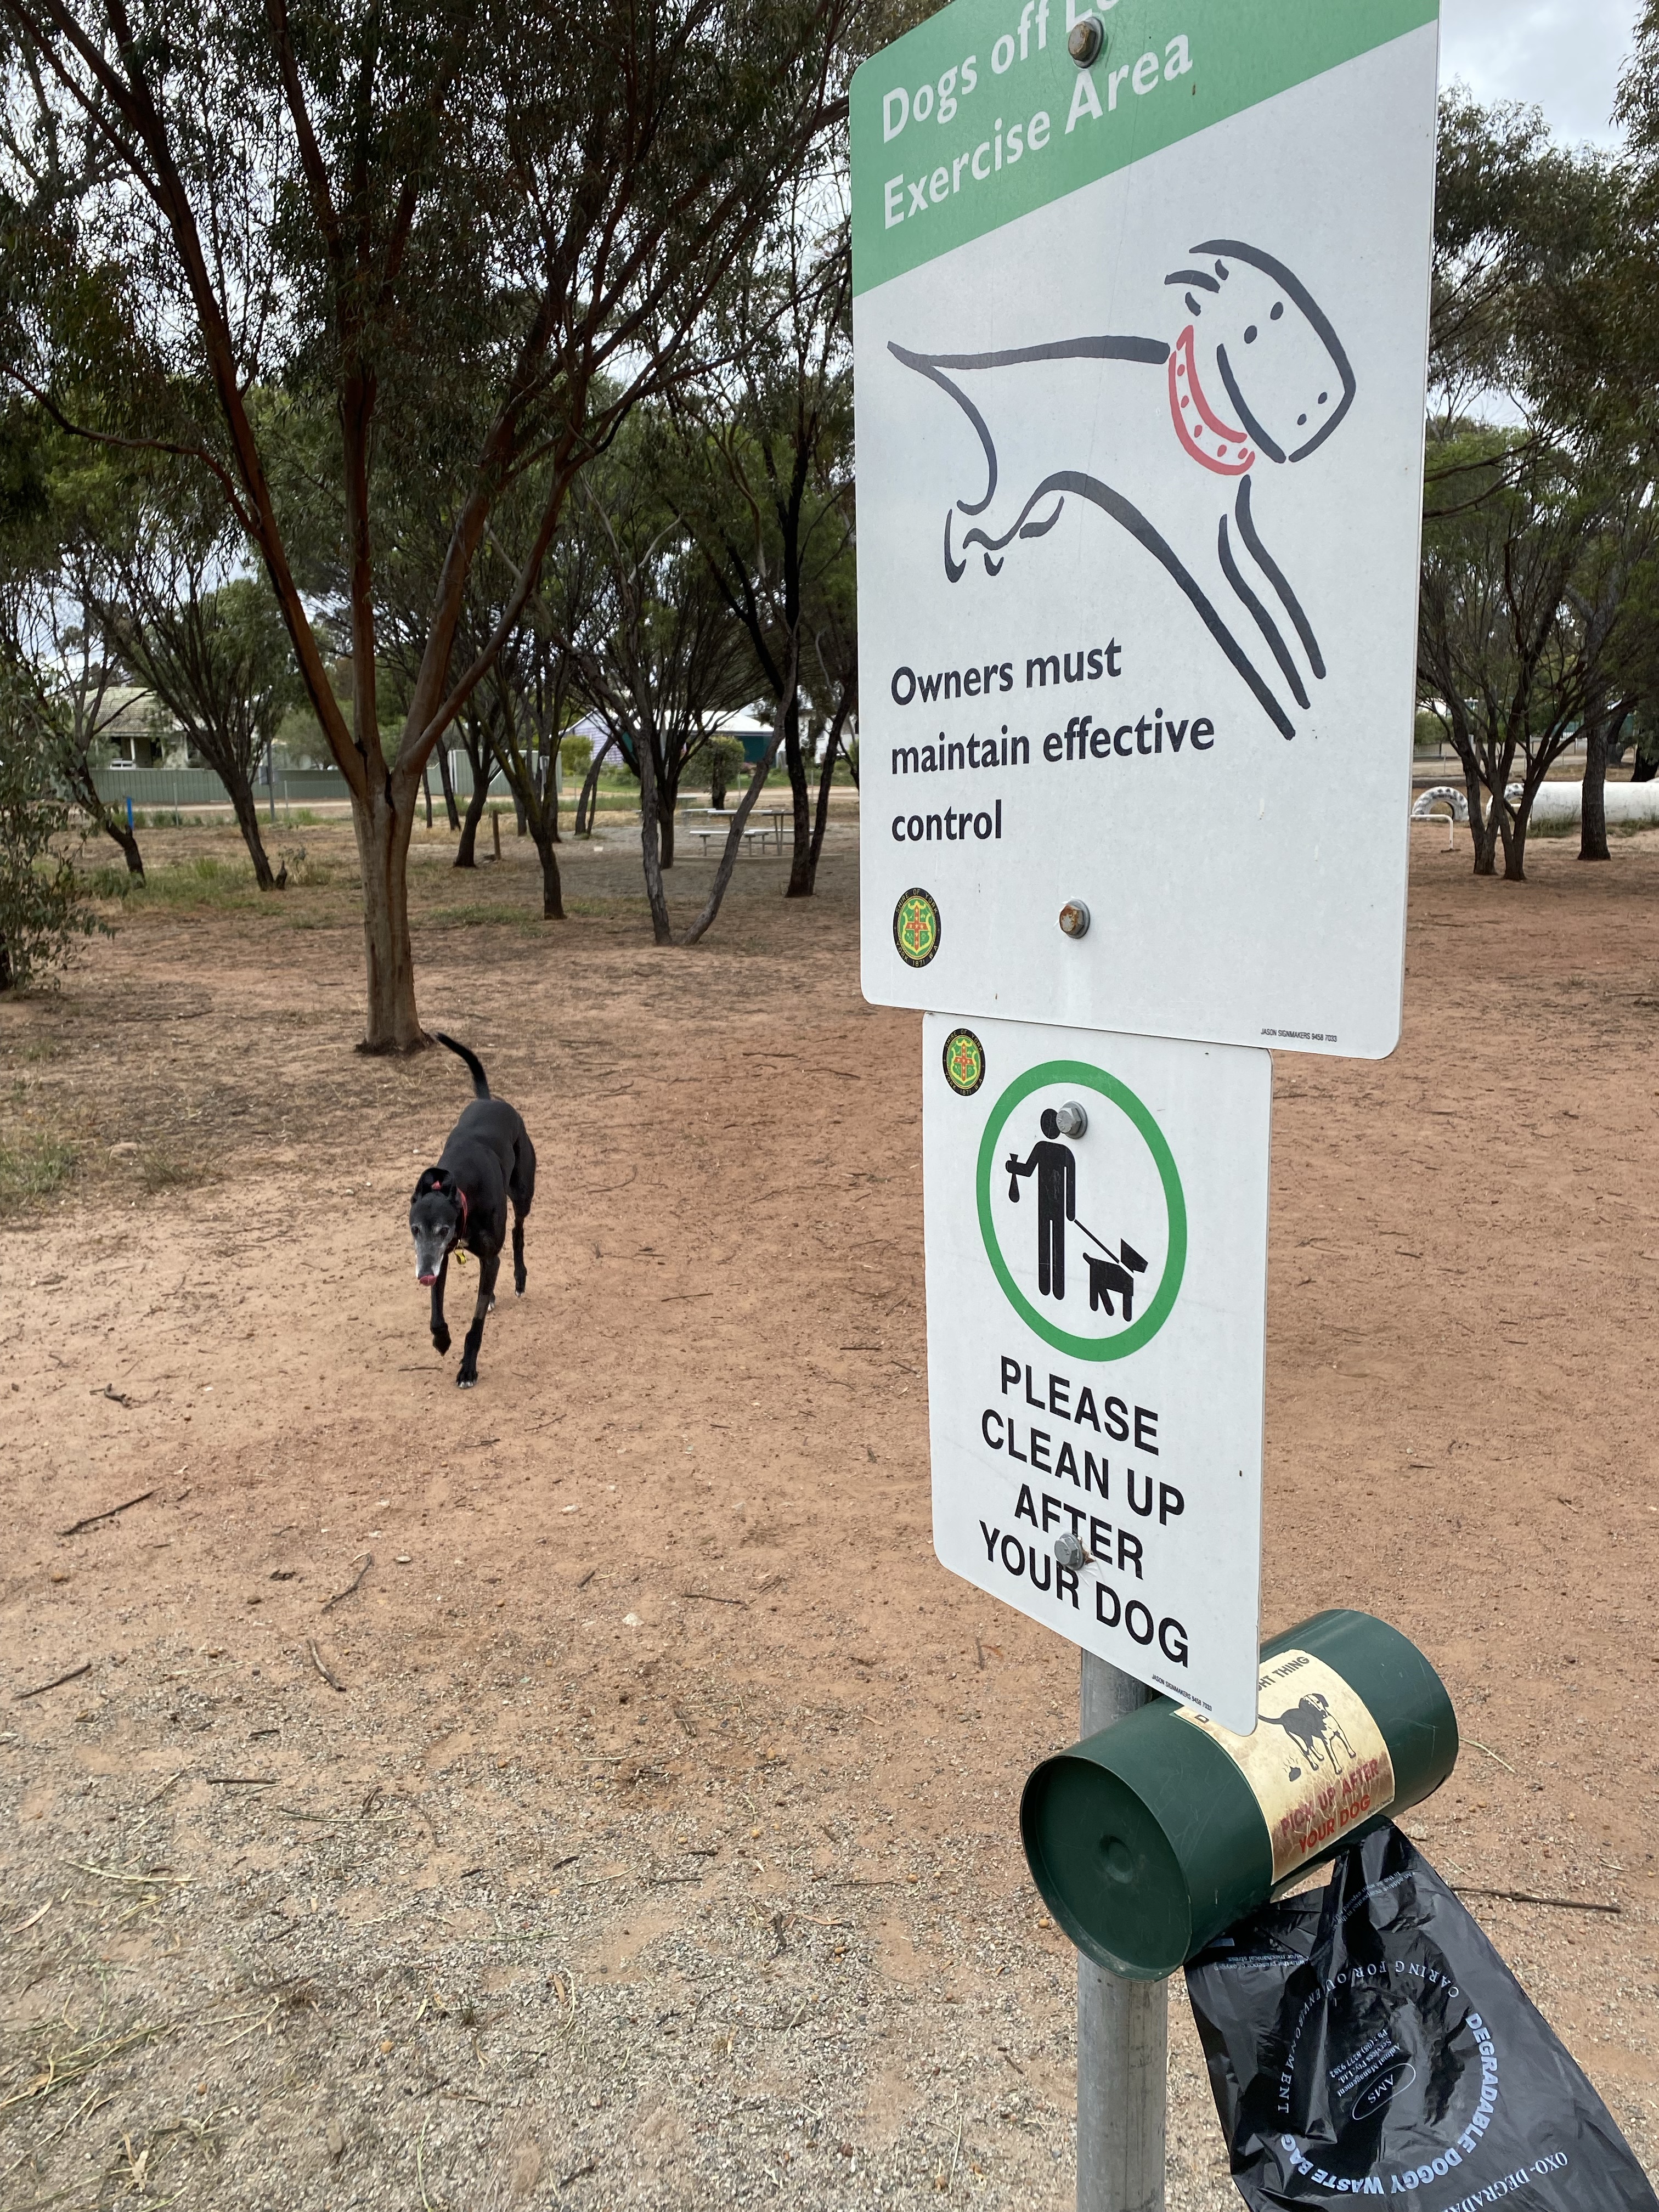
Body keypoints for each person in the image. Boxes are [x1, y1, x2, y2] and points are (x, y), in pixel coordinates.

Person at [1006, 1109, 1076, 1299]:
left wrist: (1012, 1167)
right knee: (1053, 1242)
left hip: (1047, 1204)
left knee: (1047, 1242)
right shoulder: (1062, 1151)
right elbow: (1070, 1181)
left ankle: (1049, 1286)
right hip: (1053, 1205)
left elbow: (1028, 1170)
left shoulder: (1043, 1148)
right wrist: (1070, 1212)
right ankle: (1052, 1287)